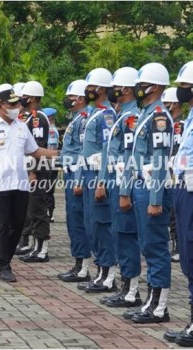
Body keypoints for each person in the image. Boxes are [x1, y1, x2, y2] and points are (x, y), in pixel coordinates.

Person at [0, 89, 58, 282]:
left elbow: (34, 151)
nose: (16, 108)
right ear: (0, 105)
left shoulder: (21, 126)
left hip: (20, 184)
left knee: (17, 226)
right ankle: (3, 266)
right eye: (12, 105)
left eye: (17, 104)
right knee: (1, 227)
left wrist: (58, 154)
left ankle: (6, 258)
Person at [119, 62, 173, 323]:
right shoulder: (145, 114)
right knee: (147, 246)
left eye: (142, 86)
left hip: (153, 190)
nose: (138, 90)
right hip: (140, 187)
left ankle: (160, 307)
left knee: (155, 247)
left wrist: (155, 199)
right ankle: (152, 301)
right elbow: (133, 157)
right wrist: (127, 189)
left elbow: (161, 161)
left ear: (156, 87)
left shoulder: (160, 117)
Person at [97, 67, 142, 308]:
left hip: (123, 182)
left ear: (125, 89)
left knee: (125, 236)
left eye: (115, 87)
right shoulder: (122, 115)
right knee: (118, 234)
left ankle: (132, 290)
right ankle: (127, 287)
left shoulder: (131, 117)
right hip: (115, 181)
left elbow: (128, 157)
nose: (112, 91)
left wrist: (124, 190)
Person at [164, 60, 193, 347]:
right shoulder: (191, 117)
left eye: (185, 87)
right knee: (187, 256)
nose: (180, 93)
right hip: (184, 190)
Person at [80, 68, 117, 293]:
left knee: (102, 225)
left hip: (97, 174)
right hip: (87, 173)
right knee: (91, 224)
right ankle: (101, 270)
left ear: (101, 89)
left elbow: (106, 149)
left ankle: (109, 273)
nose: (88, 92)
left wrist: (102, 181)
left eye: (90, 88)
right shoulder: (95, 112)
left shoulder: (107, 115)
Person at [57, 79, 92, 283]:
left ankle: (83, 266)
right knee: (72, 220)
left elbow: (81, 153)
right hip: (70, 174)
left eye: (71, 97)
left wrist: (78, 180)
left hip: (77, 175)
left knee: (78, 221)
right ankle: (78, 262)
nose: (68, 100)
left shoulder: (84, 120)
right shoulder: (76, 118)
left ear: (79, 99)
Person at [18, 81, 51, 262]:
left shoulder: (38, 117)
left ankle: (42, 249)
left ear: (31, 98)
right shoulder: (28, 117)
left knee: (38, 209)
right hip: (28, 169)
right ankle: (34, 246)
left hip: (37, 171)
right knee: (31, 209)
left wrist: (33, 173)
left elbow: (38, 147)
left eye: (24, 96)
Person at [161, 87, 184, 263]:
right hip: (166, 169)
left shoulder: (182, 123)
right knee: (169, 211)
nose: (164, 107)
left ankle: (178, 246)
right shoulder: (167, 122)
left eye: (167, 103)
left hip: (180, 171)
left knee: (177, 211)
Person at [44, 107, 59, 222]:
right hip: (47, 162)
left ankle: (50, 212)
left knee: (48, 188)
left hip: (50, 163)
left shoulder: (51, 131)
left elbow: (52, 146)